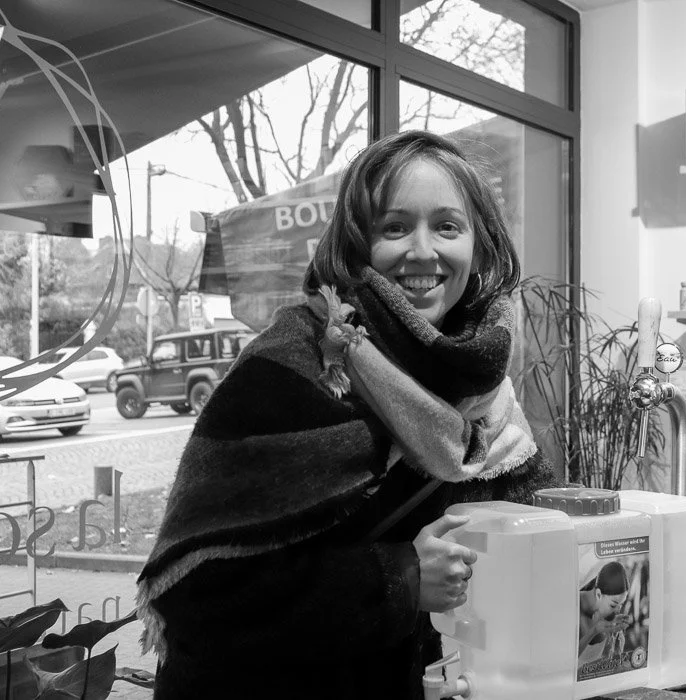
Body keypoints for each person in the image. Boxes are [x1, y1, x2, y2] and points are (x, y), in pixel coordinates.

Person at [136, 130, 559, 699]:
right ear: (355, 245)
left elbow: (540, 528)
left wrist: (647, 596)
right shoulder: (293, 364)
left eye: (447, 226)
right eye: (395, 227)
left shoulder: (481, 389)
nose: (423, 250)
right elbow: (199, 593)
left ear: (479, 248)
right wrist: (402, 578)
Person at [578, 561, 631, 664]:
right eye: (613, 605)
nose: (617, 611)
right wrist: (594, 631)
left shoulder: (604, 614)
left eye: (620, 605)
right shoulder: (572, 606)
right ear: (598, 594)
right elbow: (566, 659)